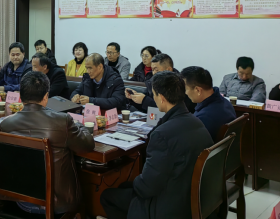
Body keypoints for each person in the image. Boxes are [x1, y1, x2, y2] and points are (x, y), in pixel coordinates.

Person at [100, 71, 213, 219]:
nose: (153, 98)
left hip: (167, 205)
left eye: (153, 94)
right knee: (125, 186)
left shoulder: (162, 134)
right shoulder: (195, 121)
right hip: (191, 194)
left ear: (162, 98)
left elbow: (147, 188)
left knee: (107, 196)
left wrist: (136, 181)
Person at [1, 72, 94, 214]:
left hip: (21, 200)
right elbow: (87, 145)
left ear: (21, 96)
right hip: (58, 203)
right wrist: (79, 124)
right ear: (46, 97)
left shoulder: (6, 124)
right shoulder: (63, 121)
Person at [126, 53, 195, 114]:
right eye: (152, 69)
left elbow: (169, 109)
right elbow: (146, 108)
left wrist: (144, 100)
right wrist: (134, 98)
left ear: (169, 70)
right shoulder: (151, 82)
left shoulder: (181, 85)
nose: (154, 73)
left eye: (156, 69)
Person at [182, 66, 236, 141]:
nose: (185, 93)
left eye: (186, 89)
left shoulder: (203, 119)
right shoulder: (225, 102)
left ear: (198, 90)